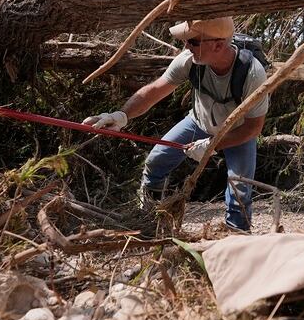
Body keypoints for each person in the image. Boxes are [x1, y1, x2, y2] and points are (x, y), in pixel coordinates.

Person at [84, 17, 268, 233]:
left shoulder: (252, 73)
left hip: (237, 132)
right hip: (198, 123)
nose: (186, 46)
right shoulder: (189, 60)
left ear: (218, 45)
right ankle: (149, 218)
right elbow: (154, 91)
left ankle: (238, 238)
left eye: (193, 42)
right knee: (156, 161)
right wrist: (122, 116)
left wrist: (212, 145)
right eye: (186, 41)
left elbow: (253, 128)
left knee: (240, 187)